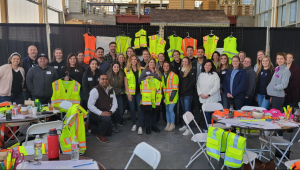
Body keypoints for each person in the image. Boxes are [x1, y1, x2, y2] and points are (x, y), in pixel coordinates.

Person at [88, 74, 118, 143]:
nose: (105, 81)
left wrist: (111, 112)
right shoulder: (95, 90)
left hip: (107, 112)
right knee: (107, 119)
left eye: (106, 79)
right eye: (102, 79)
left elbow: (115, 103)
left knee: (109, 133)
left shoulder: (111, 89)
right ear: (99, 80)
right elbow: (89, 105)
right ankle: (100, 135)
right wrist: (100, 113)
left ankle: (92, 128)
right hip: (95, 113)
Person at [139, 58, 162, 134]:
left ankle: (154, 126)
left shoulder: (157, 72)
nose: (152, 64)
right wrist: (145, 78)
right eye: (150, 62)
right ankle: (148, 127)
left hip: (156, 96)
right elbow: (139, 81)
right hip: (147, 96)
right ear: (148, 63)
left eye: (153, 62)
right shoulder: (144, 71)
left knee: (155, 112)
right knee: (148, 112)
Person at [197, 60, 220, 131]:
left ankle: (208, 129)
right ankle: (207, 128)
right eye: (206, 65)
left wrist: (209, 94)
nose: (207, 66)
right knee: (206, 114)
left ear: (211, 66)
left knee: (211, 114)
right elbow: (198, 85)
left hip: (212, 98)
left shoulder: (215, 75)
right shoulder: (201, 75)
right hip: (203, 98)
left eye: (209, 65)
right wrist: (200, 93)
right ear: (204, 66)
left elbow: (217, 86)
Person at [124, 55, 143, 134]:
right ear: (130, 61)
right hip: (131, 92)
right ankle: (134, 124)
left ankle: (140, 126)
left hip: (140, 92)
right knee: (132, 109)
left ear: (137, 60)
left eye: (135, 59)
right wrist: (128, 94)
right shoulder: (126, 69)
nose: (134, 61)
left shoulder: (142, 69)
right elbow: (125, 83)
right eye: (132, 59)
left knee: (140, 108)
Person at [179, 57, 195, 136]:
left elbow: (192, 83)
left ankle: (189, 128)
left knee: (187, 111)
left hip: (188, 94)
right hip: (181, 94)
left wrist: (185, 89)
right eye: (183, 61)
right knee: (184, 111)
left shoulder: (191, 71)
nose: (184, 63)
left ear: (189, 62)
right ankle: (186, 125)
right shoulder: (181, 70)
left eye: (186, 61)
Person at [107, 62, 125, 133]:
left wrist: (122, 91)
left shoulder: (121, 75)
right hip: (111, 96)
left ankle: (115, 122)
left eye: (117, 67)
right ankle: (113, 125)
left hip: (119, 94)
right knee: (113, 111)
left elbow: (124, 85)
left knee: (121, 111)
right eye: (115, 67)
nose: (116, 68)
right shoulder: (108, 75)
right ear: (112, 67)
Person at [191, 46, 206, 128]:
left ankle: (203, 122)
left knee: (203, 105)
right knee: (196, 105)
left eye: (201, 52)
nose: (200, 53)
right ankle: (197, 122)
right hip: (195, 88)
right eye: (199, 52)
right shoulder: (193, 62)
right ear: (196, 53)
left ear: (204, 53)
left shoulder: (207, 62)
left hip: (205, 88)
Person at [162, 62, 179, 132]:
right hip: (166, 97)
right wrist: (163, 98)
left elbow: (175, 89)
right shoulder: (162, 75)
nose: (166, 67)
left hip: (172, 96)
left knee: (171, 110)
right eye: (164, 66)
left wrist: (171, 98)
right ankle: (168, 123)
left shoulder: (174, 75)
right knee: (167, 110)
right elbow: (163, 88)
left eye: (167, 66)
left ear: (169, 67)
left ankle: (172, 124)